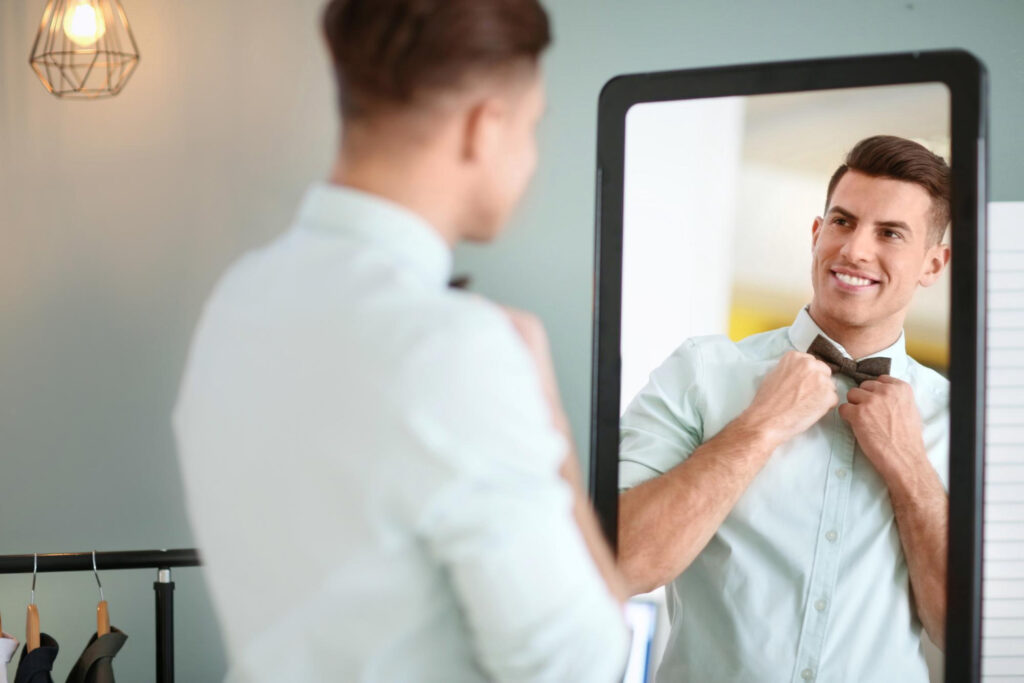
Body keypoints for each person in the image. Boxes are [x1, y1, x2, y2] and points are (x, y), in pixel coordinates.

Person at [173, 1, 628, 680]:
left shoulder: (236, 300)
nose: (531, 158)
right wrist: (552, 424)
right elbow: (579, 664)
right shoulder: (452, 350)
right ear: (485, 127)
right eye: (532, 127)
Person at [617, 135, 952, 682]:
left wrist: (909, 465)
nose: (855, 250)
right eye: (842, 222)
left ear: (933, 264)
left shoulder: (962, 422)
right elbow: (619, 563)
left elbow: (968, 632)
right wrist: (759, 427)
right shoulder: (702, 372)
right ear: (817, 233)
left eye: (890, 233)